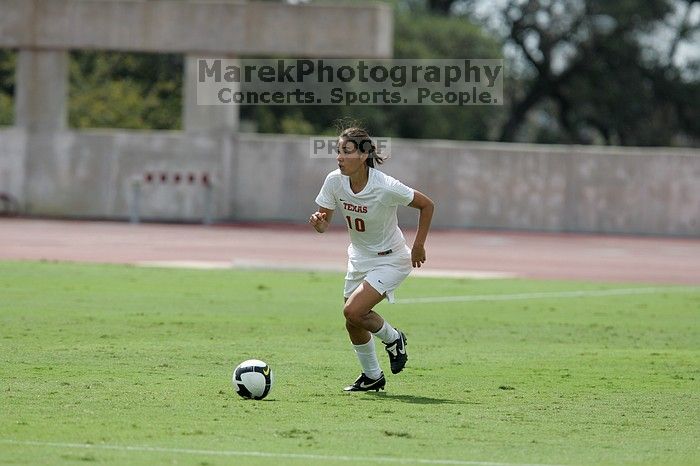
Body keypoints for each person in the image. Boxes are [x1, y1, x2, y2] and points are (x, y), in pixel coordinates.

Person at [309, 127, 435, 392]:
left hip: (391, 259)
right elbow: (324, 223)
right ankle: (372, 376)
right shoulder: (334, 181)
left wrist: (419, 245)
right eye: (338, 152)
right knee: (352, 321)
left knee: (353, 311)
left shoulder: (385, 186)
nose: (339, 158)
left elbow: (427, 205)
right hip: (359, 258)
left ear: (364, 155)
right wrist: (318, 224)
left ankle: (394, 338)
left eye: (346, 151)